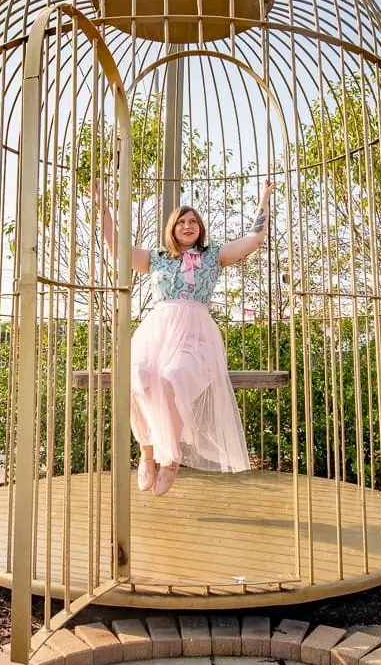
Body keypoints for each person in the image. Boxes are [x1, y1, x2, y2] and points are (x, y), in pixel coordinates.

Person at [90, 180, 275, 496]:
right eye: (181, 222)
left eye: (193, 222)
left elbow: (255, 237)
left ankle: (171, 458)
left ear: (200, 229)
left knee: (172, 376)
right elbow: (115, 245)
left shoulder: (213, 255)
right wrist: (104, 210)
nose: (188, 226)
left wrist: (265, 197)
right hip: (157, 331)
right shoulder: (156, 258)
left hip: (194, 334)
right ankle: (147, 449)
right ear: (172, 229)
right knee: (139, 375)